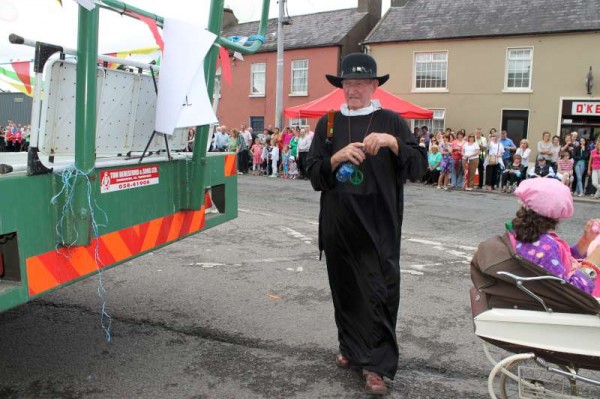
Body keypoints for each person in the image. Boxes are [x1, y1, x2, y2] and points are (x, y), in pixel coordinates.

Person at [306, 53, 427, 395]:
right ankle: (349, 348)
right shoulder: (328, 123)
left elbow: (419, 166)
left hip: (378, 227)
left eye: (360, 83)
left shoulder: (391, 120)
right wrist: (335, 157)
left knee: (380, 295)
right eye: (348, 83)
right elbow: (314, 174)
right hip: (339, 225)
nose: (353, 89)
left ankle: (377, 366)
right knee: (345, 292)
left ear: (374, 86)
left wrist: (393, 143)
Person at [509, 178, 597, 296]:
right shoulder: (545, 246)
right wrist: (593, 263)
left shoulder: (521, 234)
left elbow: (558, 261)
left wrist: (585, 241)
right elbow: (572, 293)